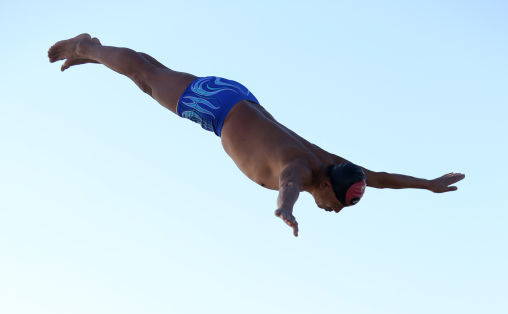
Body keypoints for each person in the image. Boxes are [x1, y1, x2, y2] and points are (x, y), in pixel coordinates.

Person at [48, 34, 465, 237]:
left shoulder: (328, 162)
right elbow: (287, 184)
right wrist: (285, 209)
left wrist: (427, 185)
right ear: (326, 188)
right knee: (147, 77)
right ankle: (89, 48)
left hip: (237, 100)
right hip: (219, 109)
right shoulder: (304, 169)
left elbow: (378, 177)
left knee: (151, 78)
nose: (336, 211)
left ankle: (101, 55)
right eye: (337, 204)